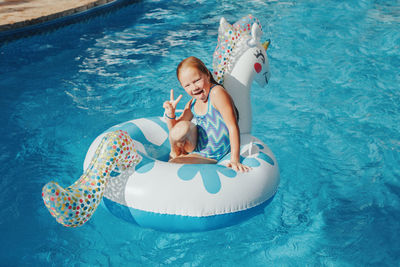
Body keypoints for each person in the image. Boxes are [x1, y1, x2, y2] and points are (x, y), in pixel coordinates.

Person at [163, 56, 250, 172]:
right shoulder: (192, 103)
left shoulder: (217, 93)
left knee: (174, 165)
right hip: (196, 150)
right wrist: (170, 114)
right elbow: (174, 133)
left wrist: (235, 159)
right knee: (182, 127)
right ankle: (175, 154)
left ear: (207, 75)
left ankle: (177, 158)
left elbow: (232, 126)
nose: (193, 88)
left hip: (211, 156)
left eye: (196, 80)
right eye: (187, 85)